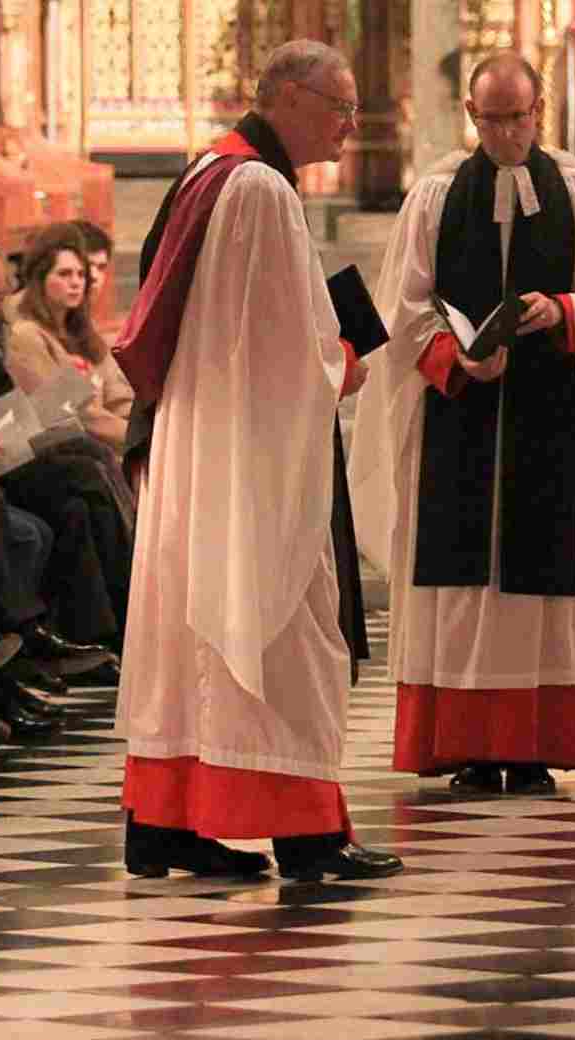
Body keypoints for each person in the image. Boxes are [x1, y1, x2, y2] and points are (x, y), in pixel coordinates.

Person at [111, 39, 401, 881]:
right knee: (281, 625)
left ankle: (165, 825)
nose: (353, 126)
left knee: (188, 641)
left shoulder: (210, 171)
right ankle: (309, 837)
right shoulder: (261, 189)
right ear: (292, 99)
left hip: (201, 440)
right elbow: (285, 353)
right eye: (342, 108)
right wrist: (345, 361)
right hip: (247, 455)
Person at [349, 51, 575, 798]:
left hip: (554, 418)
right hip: (459, 423)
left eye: (520, 115)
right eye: (492, 117)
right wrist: (454, 355)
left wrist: (562, 311)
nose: (507, 131)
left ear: (541, 112)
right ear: (471, 116)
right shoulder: (437, 195)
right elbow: (400, 308)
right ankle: (468, 746)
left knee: (545, 584)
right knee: (463, 588)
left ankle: (536, 746)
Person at [0, 238, 121, 689]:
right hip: (1, 465)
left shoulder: (76, 334)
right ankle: (37, 639)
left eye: (0, 295)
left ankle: (90, 636)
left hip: (7, 454)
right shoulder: (26, 334)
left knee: (75, 503)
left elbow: (6, 402)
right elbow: (81, 413)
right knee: (85, 469)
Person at [7, 223, 133, 457]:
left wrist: (149, 430)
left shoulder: (86, 334)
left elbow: (120, 398)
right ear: (41, 278)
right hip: (67, 461)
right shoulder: (25, 333)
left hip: (108, 451)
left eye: (81, 274)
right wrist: (139, 441)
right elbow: (74, 413)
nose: (77, 282)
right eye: (65, 274)